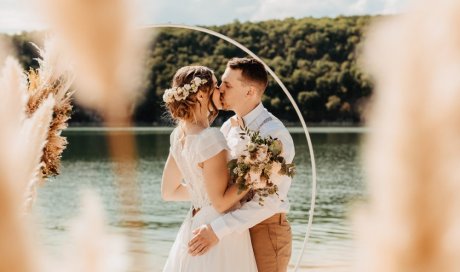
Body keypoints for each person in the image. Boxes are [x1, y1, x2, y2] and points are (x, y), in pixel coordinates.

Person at [188, 57, 295, 272]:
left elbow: (270, 201)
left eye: (227, 85)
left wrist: (217, 230)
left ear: (250, 92)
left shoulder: (274, 136)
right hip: (232, 233)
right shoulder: (228, 127)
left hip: (264, 230)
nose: (219, 89)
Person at [161, 65, 258, 272]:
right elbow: (221, 203)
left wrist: (203, 192)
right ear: (202, 95)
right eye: (215, 86)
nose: (221, 90)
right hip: (216, 228)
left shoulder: (178, 136)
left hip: (195, 222)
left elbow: (169, 192)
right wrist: (252, 175)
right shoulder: (210, 138)